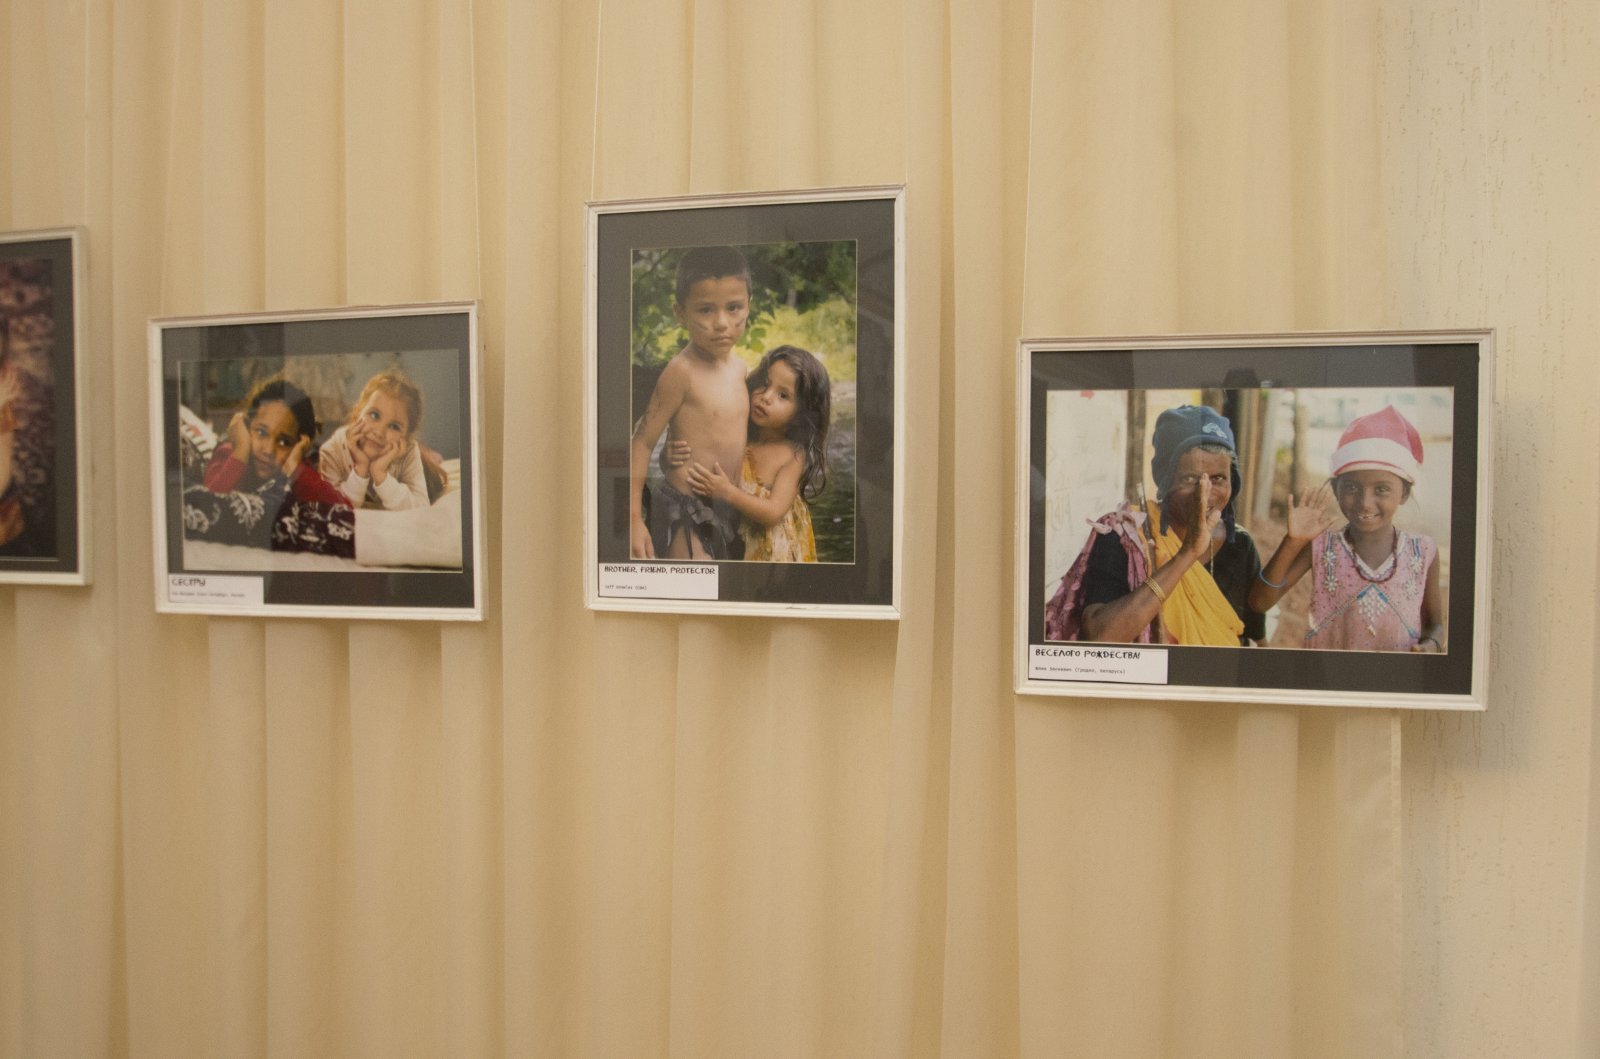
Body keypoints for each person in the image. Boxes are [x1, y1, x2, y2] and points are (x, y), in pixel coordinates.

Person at [1044, 404, 1266, 646]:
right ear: (1164, 479)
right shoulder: (1124, 537)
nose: (1205, 492)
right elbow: (1100, 637)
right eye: (1189, 478)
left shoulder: (1238, 544)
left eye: (1218, 478)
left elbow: (1256, 638)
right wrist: (1187, 554)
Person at [1247, 405, 1443, 652]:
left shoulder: (1423, 553)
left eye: (1381, 489)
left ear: (1403, 493)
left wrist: (1430, 647)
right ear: (1336, 490)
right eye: (1351, 488)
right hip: (1326, 674)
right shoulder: (1322, 546)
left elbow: (1435, 626)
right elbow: (1259, 603)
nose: (1365, 502)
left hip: (1394, 675)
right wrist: (1292, 542)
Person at [628, 246, 753, 560]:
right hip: (686, 510)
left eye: (734, 308)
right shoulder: (681, 372)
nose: (721, 322)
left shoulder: (741, 370)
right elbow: (642, 442)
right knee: (692, 584)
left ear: (749, 305)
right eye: (705, 310)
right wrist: (632, 519)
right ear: (680, 313)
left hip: (729, 506)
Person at [678, 345, 830, 562]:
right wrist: (675, 451)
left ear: (801, 413)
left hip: (774, 554)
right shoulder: (740, 432)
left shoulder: (792, 455)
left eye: (783, 395)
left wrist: (727, 492)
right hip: (736, 542)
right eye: (765, 383)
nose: (766, 397)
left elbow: (773, 513)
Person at [317, 369, 444, 510]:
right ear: (356, 414)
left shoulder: (408, 451)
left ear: (406, 438)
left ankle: (430, 458)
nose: (379, 432)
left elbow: (420, 507)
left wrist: (380, 474)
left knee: (433, 479)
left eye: (394, 426)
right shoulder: (332, 450)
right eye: (374, 415)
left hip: (410, 460)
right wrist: (360, 468)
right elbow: (333, 509)